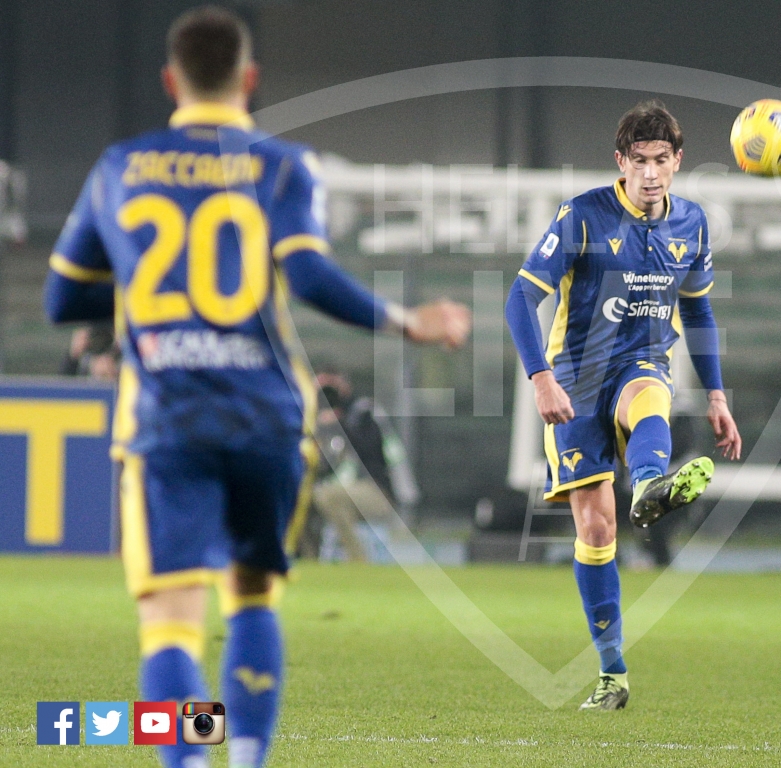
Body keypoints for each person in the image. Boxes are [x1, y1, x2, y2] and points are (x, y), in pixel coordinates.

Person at [42, 7, 470, 768]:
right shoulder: (283, 166)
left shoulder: (120, 166)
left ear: (170, 80)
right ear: (249, 80)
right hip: (265, 417)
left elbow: (61, 300)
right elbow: (308, 275)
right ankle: (244, 757)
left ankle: (189, 759)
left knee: (171, 625)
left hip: (167, 417)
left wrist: (145, 287)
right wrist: (409, 322)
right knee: (251, 600)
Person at [504, 100, 741, 710]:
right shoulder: (582, 215)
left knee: (649, 401)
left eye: (661, 160)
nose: (651, 173)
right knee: (596, 529)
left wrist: (717, 393)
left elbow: (698, 310)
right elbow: (519, 298)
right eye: (640, 161)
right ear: (621, 161)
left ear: (678, 160)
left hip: (642, 361)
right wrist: (540, 379)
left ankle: (651, 482)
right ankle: (612, 672)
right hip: (576, 380)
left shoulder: (692, 223)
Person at [310, 368, 419, 562]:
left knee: (326, 495)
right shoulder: (312, 417)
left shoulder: (363, 411)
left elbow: (370, 448)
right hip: (343, 492)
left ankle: (357, 558)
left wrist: (339, 423)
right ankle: (307, 560)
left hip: (376, 491)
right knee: (306, 497)